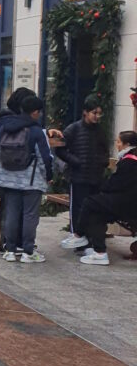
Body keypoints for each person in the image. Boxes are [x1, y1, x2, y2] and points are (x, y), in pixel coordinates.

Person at [63, 130, 137, 265]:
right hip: (126, 201)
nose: (117, 144)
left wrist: (102, 187)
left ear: (127, 144)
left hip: (127, 204)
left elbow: (116, 184)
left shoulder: (130, 162)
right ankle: (100, 253)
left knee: (89, 202)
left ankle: (78, 234)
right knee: (96, 215)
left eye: (119, 142)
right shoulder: (130, 159)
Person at [0, 95, 53, 263]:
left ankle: (10, 250)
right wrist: (49, 176)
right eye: (39, 112)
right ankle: (28, 251)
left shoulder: (5, 128)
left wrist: (4, 171)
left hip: (8, 180)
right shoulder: (36, 131)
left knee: (12, 213)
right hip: (31, 181)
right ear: (34, 112)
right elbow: (45, 158)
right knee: (30, 215)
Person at [0, 87, 36, 255]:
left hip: (4, 172)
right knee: (11, 208)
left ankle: (6, 241)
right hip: (11, 171)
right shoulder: (10, 123)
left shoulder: (4, 120)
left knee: (8, 206)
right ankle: (9, 242)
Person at [56, 95, 110, 251]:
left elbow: (105, 150)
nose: (97, 116)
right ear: (85, 112)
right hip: (78, 177)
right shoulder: (73, 129)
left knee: (93, 210)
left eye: (100, 113)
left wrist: (103, 161)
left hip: (95, 177)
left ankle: (91, 239)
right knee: (78, 208)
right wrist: (75, 161)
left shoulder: (100, 131)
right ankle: (78, 238)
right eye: (95, 113)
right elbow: (60, 149)